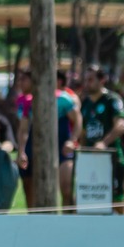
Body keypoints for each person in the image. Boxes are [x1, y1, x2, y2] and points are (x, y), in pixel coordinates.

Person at [77, 65, 124, 204]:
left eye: (90, 79)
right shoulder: (85, 103)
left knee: (117, 203)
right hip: (91, 162)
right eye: (85, 80)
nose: (87, 83)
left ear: (102, 80)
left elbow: (120, 125)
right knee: (90, 203)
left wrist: (103, 143)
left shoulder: (112, 100)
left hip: (112, 160)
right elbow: (83, 132)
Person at [52, 70, 81, 209]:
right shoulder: (38, 97)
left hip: (65, 148)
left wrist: (72, 140)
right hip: (49, 148)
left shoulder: (67, 98)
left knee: (67, 189)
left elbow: (78, 120)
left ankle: (70, 217)